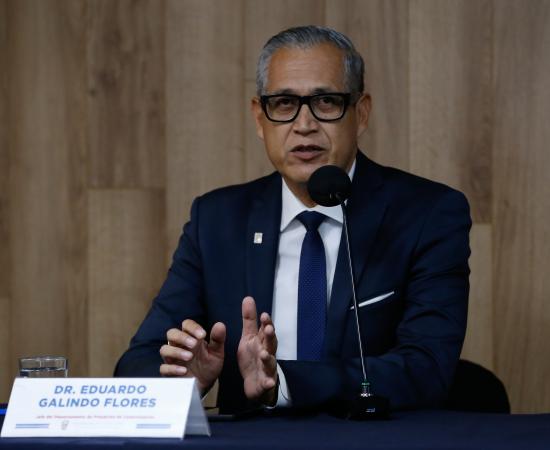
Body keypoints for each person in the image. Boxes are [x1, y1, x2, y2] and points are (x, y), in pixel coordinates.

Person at [115, 26, 471, 414]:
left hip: (369, 439)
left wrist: (283, 383)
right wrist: (181, 382)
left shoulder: (427, 214)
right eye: (284, 104)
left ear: (361, 113)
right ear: (259, 118)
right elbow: (139, 361)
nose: (304, 125)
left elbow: (427, 368)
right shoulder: (217, 221)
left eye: (326, 102)